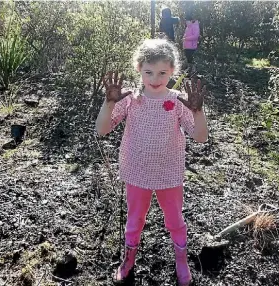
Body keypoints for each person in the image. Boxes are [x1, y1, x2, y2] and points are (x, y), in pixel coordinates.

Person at [95, 38, 208, 286]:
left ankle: (181, 260)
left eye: (162, 73)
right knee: (135, 218)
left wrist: (198, 112)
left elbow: (200, 137)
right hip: (137, 171)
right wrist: (109, 102)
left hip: (169, 173)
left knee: (175, 219)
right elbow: (102, 130)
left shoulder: (179, 102)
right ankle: (128, 259)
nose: (155, 79)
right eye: (148, 72)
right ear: (138, 69)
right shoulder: (130, 99)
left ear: (172, 71)